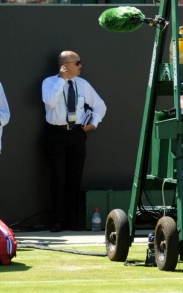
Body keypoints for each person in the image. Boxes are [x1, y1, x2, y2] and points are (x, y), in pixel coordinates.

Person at [42, 50, 106, 232]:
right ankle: (57, 221)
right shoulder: (49, 82)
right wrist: (61, 80)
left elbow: (100, 105)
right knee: (57, 178)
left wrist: (93, 123)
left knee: (74, 177)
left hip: (76, 134)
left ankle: (72, 220)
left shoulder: (82, 84)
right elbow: (50, 101)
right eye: (77, 63)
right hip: (55, 134)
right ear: (65, 65)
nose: (80, 66)